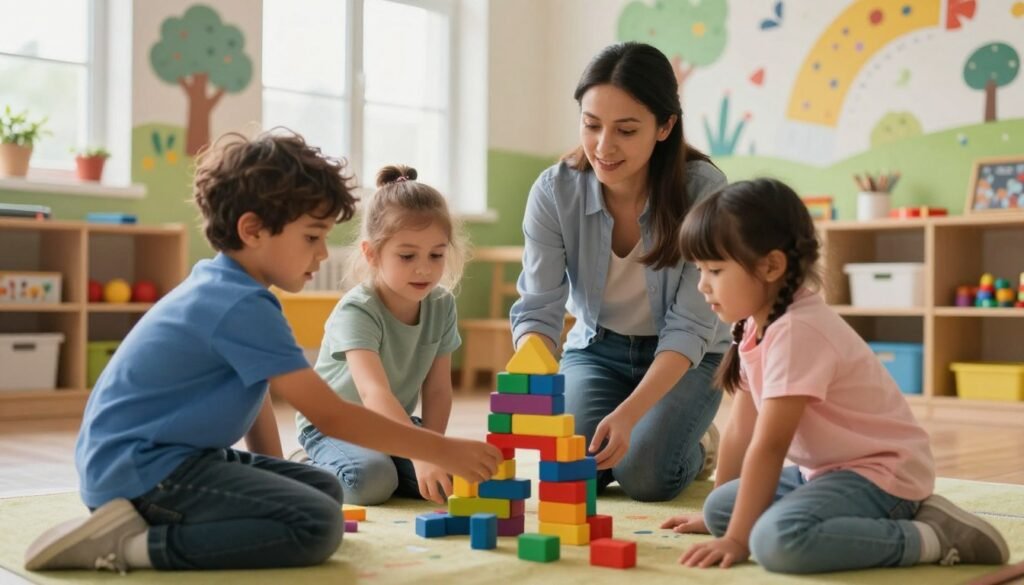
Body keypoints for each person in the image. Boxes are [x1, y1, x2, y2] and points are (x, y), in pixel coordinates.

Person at [23, 131, 501, 574]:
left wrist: (281, 477)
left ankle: (140, 525)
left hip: (164, 461)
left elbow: (256, 400)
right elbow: (332, 416)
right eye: (312, 237)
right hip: (142, 474)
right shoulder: (238, 305)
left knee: (322, 489)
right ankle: (125, 547)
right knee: (317, 525)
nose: (320, 255)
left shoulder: (233, 290)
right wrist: (439, 448)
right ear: (253, 230)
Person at [664, 177, 1009, 573]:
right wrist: (718, 524)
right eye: (699, 270)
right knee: (721, 506)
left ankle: (933, 536)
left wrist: (738, 539)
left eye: (714, 270)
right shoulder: (752, 326)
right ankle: (860, 521)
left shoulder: (798, 331)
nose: (703, 286)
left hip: (882, 474)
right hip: (826, 472)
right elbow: (742, 429)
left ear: (771, 266)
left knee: (777, 542)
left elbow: (770, 445)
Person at [509, 41, 731, 502]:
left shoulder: (704, 192)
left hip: (692, 357)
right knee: (573, 472)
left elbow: (693, 326)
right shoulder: (554, 191)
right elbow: (539, 307)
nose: (603, 147)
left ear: (665, 126)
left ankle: (699, 443)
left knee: (645, 475)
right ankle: (650, 430)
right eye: (591, 125)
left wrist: (630, 415)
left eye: (626, 130)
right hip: (597, 349)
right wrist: (528, 373)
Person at [294, 164, 467, 506]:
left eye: (436, 254)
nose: (424, 268)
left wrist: (434, 449)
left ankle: (393, 460)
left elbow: (437, 390)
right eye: (407, 256)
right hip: (334, 426)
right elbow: (373, 392)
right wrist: (421, 454)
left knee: (456, 479)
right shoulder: (358, 309)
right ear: (372, 254)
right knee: (371, 481)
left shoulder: (442, 304)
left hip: (390, 428)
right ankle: (302, 466)